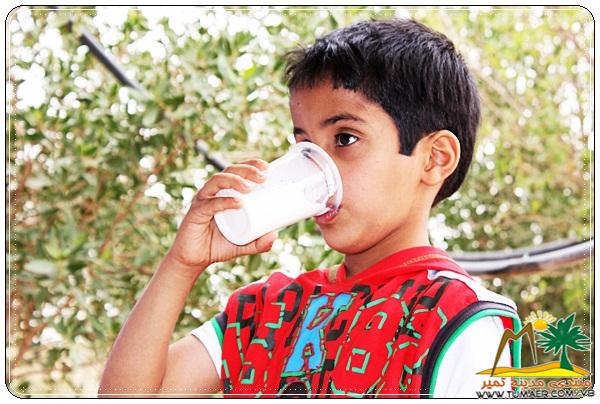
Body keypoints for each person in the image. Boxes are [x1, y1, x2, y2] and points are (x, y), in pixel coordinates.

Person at [98, 18, 520, 398]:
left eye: (345, 139)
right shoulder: (267, 310)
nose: (318, 169)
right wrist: (181, 263)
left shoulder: (462, 319)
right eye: (303, 146)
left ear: (434, 159)